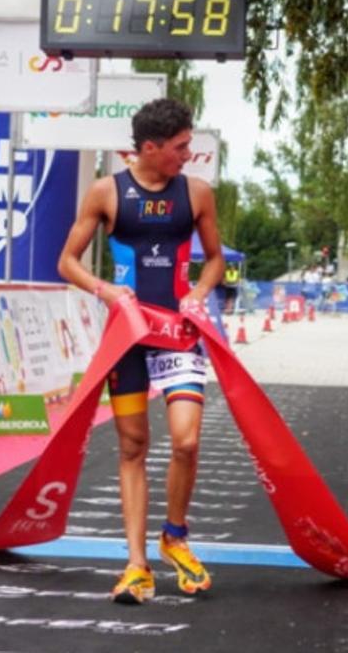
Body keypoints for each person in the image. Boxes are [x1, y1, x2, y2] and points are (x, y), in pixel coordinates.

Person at [58, 98, 225, 605]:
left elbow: (215, 257)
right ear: (149, 149)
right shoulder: (106, 192)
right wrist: (105, 291)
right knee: (132, 446)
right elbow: (68, 261)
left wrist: (198, 292)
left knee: (187, 440)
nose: (187, 154)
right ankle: (136, 566)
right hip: (127, 337)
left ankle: (175, 534)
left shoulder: (196, 192)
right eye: (179, 147)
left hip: (177, 331)